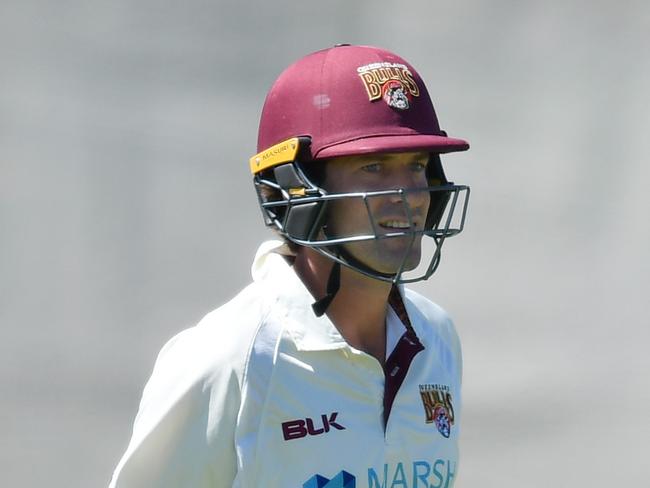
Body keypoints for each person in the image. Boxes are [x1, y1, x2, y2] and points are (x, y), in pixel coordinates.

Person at [109, 44, 470, 488]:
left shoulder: (437, 339)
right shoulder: (227, 360)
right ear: (293, 189)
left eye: (417, 166)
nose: (410, 194)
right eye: (374, 167)